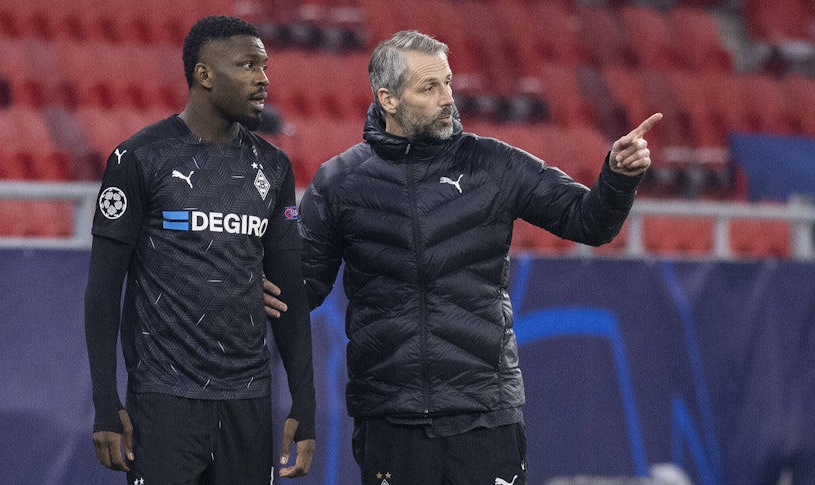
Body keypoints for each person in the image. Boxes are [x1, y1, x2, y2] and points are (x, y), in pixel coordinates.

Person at [265, 30, 660, 485]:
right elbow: (301, 288)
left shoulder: (492, 163)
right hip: (391, 419)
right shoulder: (339, 181)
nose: (447, 98)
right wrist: (241, 284)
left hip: (485, 415)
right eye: (429, 88)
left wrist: (617, 177)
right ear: (388, 99)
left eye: (448, 82)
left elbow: (588, 222)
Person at [84, 15, 315, 485]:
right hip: (164, 400)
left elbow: (289, 293)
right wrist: (106, 403)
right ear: (204, 75)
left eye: (265, 66)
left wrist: (304, 404)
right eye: (248, 65)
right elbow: (103, 291)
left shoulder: (274, 167)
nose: (263, 79)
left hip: (248, 401)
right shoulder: (139, 157)